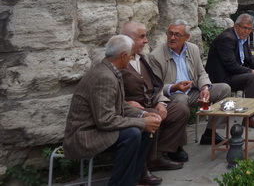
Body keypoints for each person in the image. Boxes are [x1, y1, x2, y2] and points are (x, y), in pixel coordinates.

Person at [64, 35, 161, 186]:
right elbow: (105, 120)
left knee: (144, 130)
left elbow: (119, 105)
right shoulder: (105, 77)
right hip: (85, 135)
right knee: (133, 133)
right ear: (123, 56)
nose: (130, 59)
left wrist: (143, 114)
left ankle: (134, 180)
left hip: (97, 129)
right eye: (130, 56)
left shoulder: (109, 70)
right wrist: (142, 122)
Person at [121, 22, 188, 182]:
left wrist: (162, 103)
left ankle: (158, 156)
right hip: (131, 111)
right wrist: (127, 103)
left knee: (180, 111)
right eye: (142, 37)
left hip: (151, 104)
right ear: (129, 40)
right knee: (153, 116)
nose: (146, 41)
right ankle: (142, 167)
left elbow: (156, 87)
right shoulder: (118, 62)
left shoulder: (143, 59)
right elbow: (111, 93)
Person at [148, 19, 231, 146]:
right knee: (181, 99)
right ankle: (178, 145)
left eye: (177, 35)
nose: (172, 37)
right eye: (169, 33)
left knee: (224, 89)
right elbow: (155, 87)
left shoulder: (193, 49)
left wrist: (204, 88)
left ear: (187, 37)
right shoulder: (156, 56)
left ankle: (210, 133)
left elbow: (201, 73)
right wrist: (174, 87)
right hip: (173, 95)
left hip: (193, 91)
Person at [205, 14, 254, 125]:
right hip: (223, 77)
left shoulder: (242, 37)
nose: (247, 31)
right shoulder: (227, 38)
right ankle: (250, 116)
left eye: (250, 29)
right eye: (244, 28)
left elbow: (249, 58)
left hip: (235, 73)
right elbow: (231, 65)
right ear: (236, 26)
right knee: (252, 77)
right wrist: (253, 72)